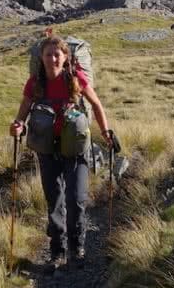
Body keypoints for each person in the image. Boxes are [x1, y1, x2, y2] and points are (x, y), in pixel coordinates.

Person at [10, 35, 112, 269]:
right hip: (47, 151)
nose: (53, 58)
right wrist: (17, 126)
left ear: (66, 57)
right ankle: (57, 251)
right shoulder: (35, 83)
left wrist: (106, 132)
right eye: (48, 54)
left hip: (75, 150)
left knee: (76, 199)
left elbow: (96, 104)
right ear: (41, 57)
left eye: (57, 54)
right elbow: (22, 112)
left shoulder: (75, 79)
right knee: (54, 200)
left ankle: (77, 247)